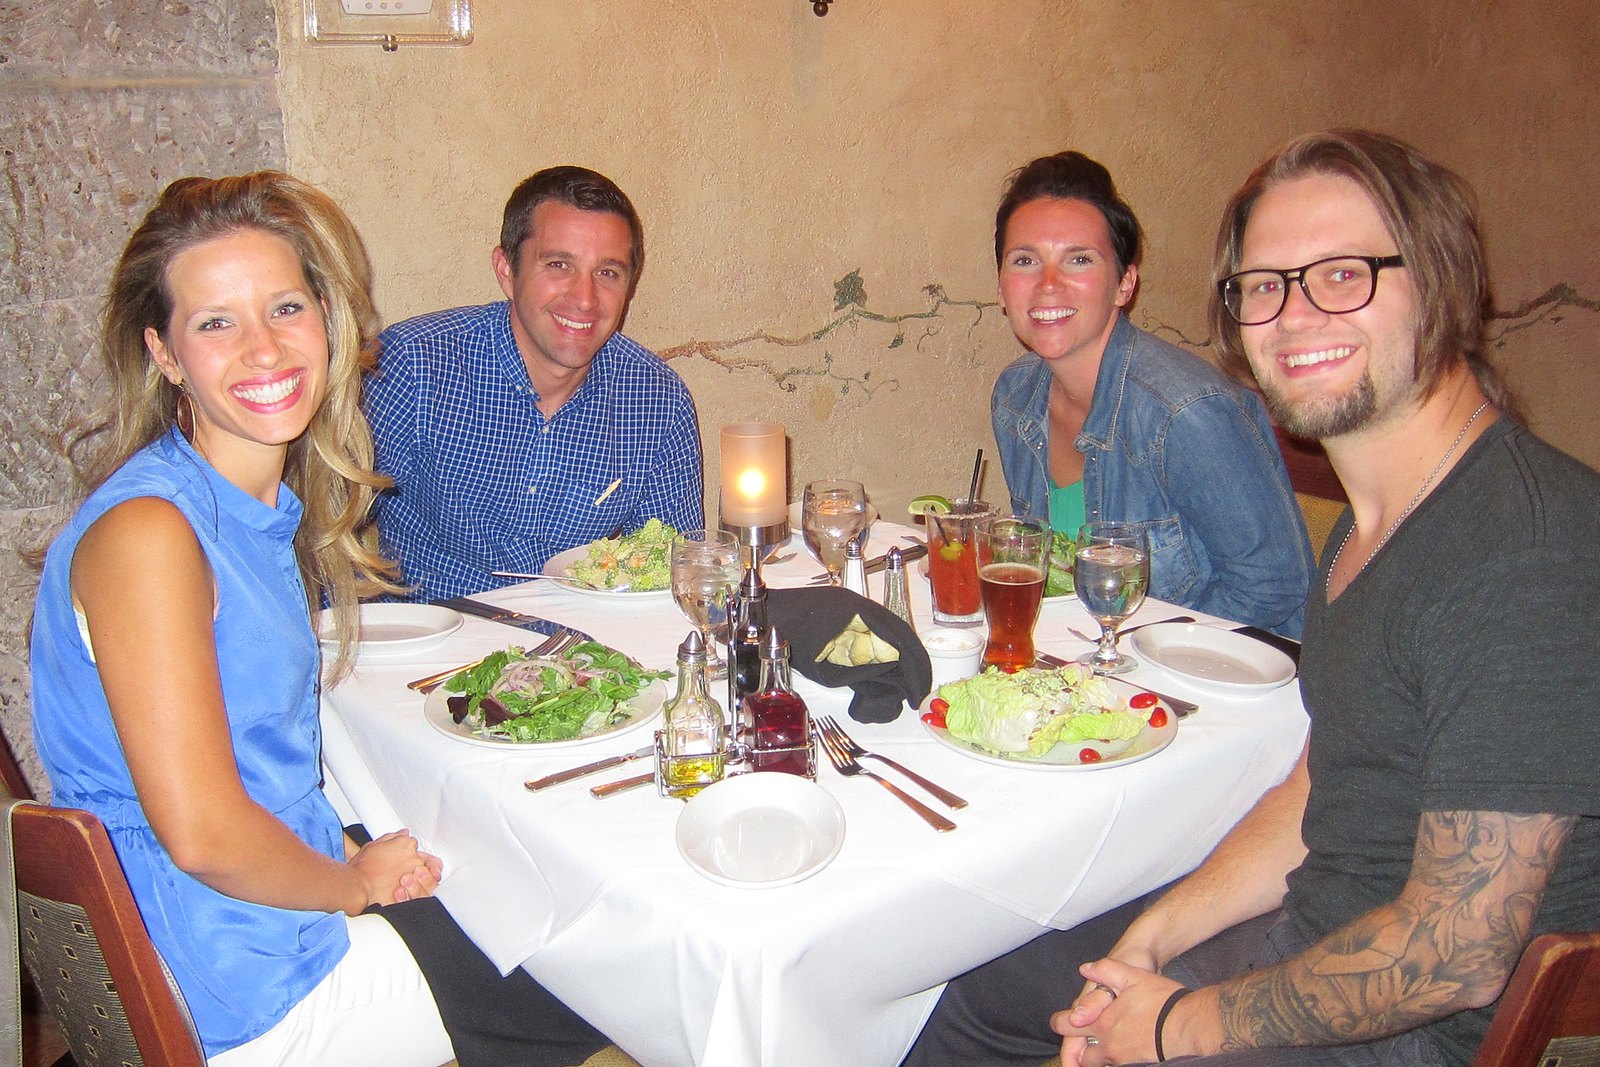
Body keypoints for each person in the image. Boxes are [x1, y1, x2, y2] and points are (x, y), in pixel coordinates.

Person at [903, 130, 1600, 1067]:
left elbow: (1454, 957)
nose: (1296, 315)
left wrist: (1172, 1024)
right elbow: (1317, 787)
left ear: (1440, 279)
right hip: (1309, 930)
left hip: (1418, 1033)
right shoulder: (1369, 530)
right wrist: (1151, 939)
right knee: (980, 989)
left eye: (1343, 274)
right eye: (1265, 285)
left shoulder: (1526, 549)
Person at [30, 172, 610, 1066]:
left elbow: (261, 767)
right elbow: (204, 833)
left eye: (286, 307)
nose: (263, 348)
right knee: (600, 978)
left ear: (328, 320)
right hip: (238, 986)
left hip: (254, 919)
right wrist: (351, 883)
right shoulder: (151, 532)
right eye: (215, 322)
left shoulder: (240, 508)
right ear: (165, 352)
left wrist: (348, 853)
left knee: (517, 889)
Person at [989, 151, 1314, 637]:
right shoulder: (1015, 398)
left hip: (1222, 666)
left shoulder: (1185, 414)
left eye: (1079, 259)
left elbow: (1274, 589)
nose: (1048, 284)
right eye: (1025, 261)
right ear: (1001, 288)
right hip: (1092, 663)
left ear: (1124, 284)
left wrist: (1132, 647)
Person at [366, 165, 704, 601]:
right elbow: (324, 536)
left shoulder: (657, 399)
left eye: (607, 273)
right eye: (559, 265)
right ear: (507, 270)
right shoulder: (414, 365)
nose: (584, 299)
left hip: (574, 638)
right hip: (431, 631)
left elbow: (672, 569)